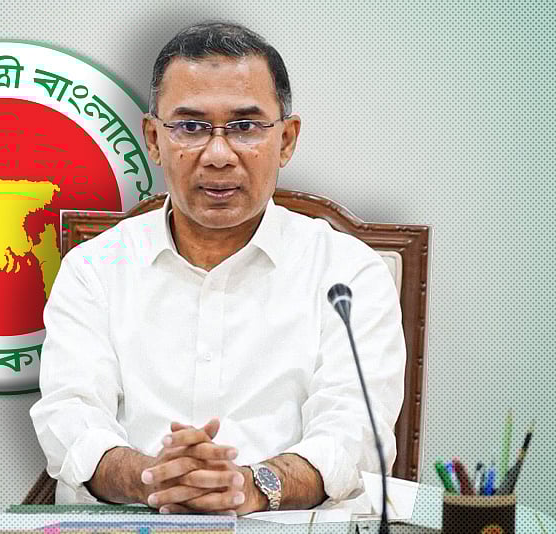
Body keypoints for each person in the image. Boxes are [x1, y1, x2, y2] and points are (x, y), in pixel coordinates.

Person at [30, 21, 405, 515]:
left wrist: (251, 486)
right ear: (153, 139)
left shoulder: (348, 275)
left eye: (246, 127)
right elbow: (71, 420)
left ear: (287, 140)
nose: (218, 155)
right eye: (190, 127)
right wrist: (155, 480)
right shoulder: (94, 269)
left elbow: (352, 433)